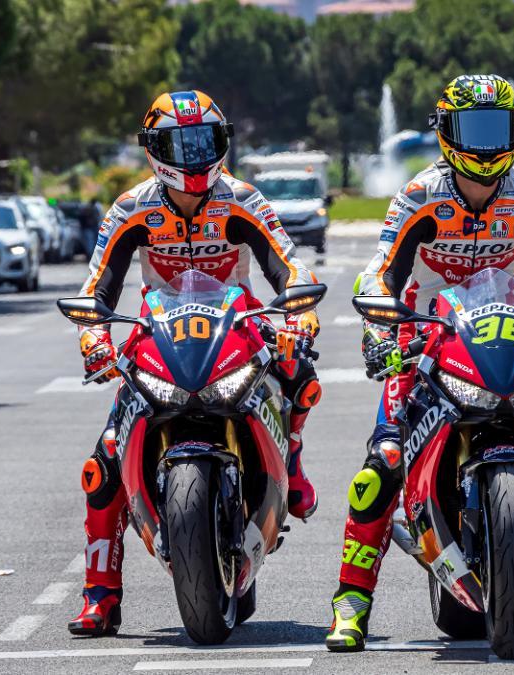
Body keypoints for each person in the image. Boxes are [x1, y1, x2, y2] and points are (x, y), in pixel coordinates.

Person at [324, 74, 514, 652]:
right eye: (472, 130)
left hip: (508, 323)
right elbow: (382, 270)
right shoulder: (418, 196)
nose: (485, 146)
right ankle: (351, 601)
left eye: (497, 130)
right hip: (427, 334)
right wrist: (381, 329)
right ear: (446, 133)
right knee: (380, 465)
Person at [69, 90, 323, 637]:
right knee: (103, 463)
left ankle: (293, 460)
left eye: (204, 142)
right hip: (156, 332)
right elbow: (99, 286)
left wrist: (299, 311)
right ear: (154, 149)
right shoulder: (131, 207)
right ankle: (100, 596)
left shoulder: (242, 199)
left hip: (238, 321)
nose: (192, 156)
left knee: (299, 371)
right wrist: (93, 333)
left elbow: (288, 266)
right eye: (179, 144)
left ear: (223, 142)